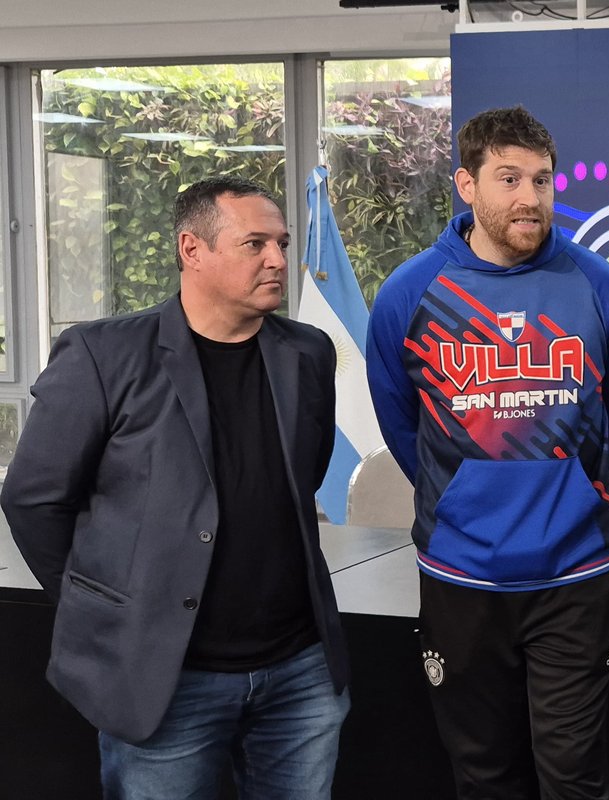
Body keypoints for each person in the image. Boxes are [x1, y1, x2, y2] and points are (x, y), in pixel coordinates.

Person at [1, 176, 350, 798]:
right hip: (165, 678)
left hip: (300, 670)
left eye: (281, 242)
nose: (277, 259)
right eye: (255, 244)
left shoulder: (309, 352)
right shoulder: (103, 354)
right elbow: (35, 497)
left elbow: (305, 475)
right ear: (193, 250)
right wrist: (105, 602)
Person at [366, 105, 609, 800]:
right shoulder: (411, 293)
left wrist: (572, 487)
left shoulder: (600, 287)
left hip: (576, 574)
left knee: (574, 778)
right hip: (461, 575)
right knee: (484, 779)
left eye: (542, 180)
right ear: (467, 185)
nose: (531, 198)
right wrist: (466, 493)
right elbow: (403, 426)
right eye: (509, 178)